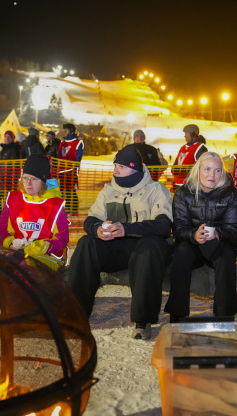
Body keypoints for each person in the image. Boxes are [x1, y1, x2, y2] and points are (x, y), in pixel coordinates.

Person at [66, 145, 172, 340]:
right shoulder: (108, 191)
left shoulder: (156, 190)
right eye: (115, 165)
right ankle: (75, 313)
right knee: (86, 243)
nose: (115, 170)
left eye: (121, 166)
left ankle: (142, 320)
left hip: (146, 247)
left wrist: (128, 228)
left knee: (150, 246)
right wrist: (97, 229)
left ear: (134, 169)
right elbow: (91, 220)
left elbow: (164, 225)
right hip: (117, 248)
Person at [164, 152, 237, 322]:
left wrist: (218, 233)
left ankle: (225, 314)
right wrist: (194, 234)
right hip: (192, 243)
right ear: (198, 170)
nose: (212, 175)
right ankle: (177, 314)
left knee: (226, 257)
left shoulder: (231, 194)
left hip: (220, 242)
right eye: (207, 169)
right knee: (181, 254)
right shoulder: (183, 193)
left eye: (217, 170)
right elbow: (179, 228)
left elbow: (234, 228)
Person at [0, 153, 69, 270]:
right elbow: (3, 231)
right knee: (0, 271)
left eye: (34, 179)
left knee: (26, 269)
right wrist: (10, 244)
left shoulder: (55, 205)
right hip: (16, 252)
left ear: (43, 181)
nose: (28, 183)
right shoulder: (12, 199)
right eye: (25, 178)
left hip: (47, 256)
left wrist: (29, 249)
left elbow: (61, 240)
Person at [0, 130, 23, 225]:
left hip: (8, 179)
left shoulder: (14, 149)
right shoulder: (5, 148)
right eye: (5, 136)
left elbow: (13, 165)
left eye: (9, 137)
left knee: (7, 202)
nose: (6, 139)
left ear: (12, 138)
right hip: (1, 177)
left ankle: (7, 221)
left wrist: (1, 167)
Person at [55, 123, 84, 214]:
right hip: (62, 171)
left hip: (71, 171)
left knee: (71, 190)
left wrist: (75, 171)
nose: (64, 132)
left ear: (71, 131)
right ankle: (67, 207)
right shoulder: (62, 143)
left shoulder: (78, 142)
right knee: (63, 191)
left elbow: (78, 158)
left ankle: (74, 208)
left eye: (66, 130)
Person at [172, 124, 208, 189]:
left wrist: (184, 169)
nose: (185, 135)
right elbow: (176, 163)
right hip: (179, 184)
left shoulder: (200, 147)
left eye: (186, 133)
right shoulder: (183, 148)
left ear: (193, 134)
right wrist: (174, 169)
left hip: (191, 185)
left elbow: (201, 165)